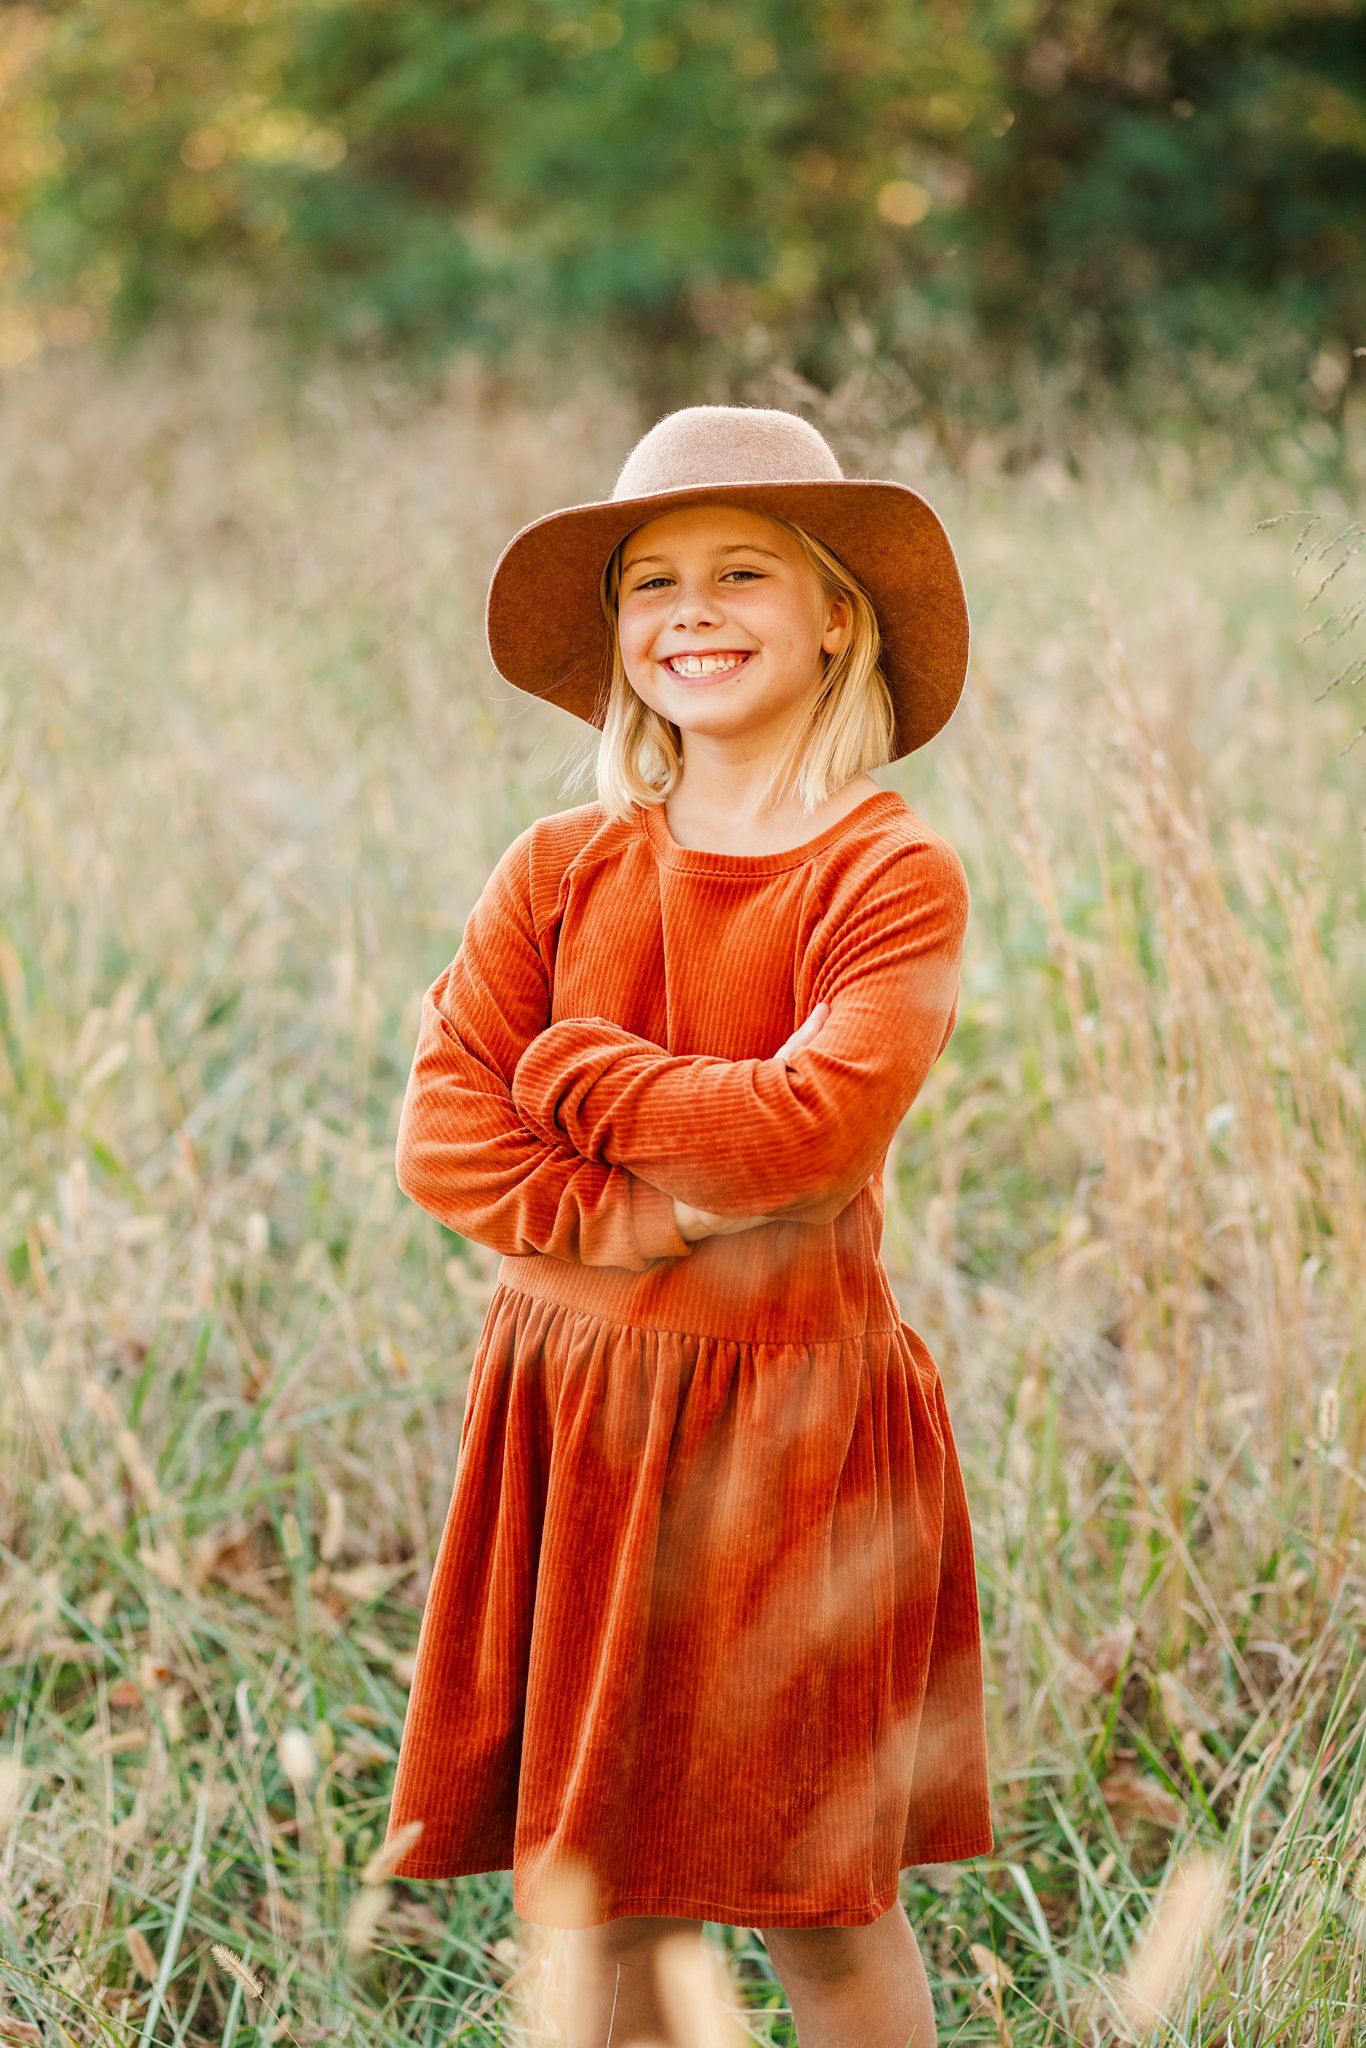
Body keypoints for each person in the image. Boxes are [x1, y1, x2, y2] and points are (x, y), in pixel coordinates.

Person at [381, 404, 994, 2047]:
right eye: (652, 581)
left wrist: (573, 1066)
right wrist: (637, 1216)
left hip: (786, 1427)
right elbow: (443, 1131)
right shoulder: (561, 864)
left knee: (819, 1905)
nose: (691, 612)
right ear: (618, 634)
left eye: (741, 573)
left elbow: (809, 1133)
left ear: (832, 616)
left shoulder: (887, 870)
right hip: (574, 1415)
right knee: (607, 1903)